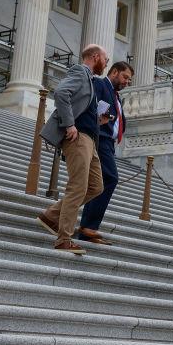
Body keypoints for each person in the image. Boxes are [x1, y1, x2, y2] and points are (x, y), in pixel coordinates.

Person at [36, 44, 108, 254]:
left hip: (89, 138)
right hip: (78, 138)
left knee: (96, 186)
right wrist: (69, 124)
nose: (106, 63)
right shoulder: (79, 71)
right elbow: (61, 92)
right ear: (96, 57)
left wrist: (97, 120)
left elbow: (79, 105)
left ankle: (51, 216)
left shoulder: (91, 80)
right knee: (78, 187)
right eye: (105, 59)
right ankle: (63, 239)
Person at [77, 60, 133, 245]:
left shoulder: (116, 96)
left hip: (108, 142)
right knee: (110, 178)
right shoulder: (101, 84)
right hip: (100, 138)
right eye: (125, 77)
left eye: (129, 80)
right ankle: (89, 226)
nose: (127, 82)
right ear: (114, 72)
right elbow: (92, 106)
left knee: (98, 183)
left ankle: (87, 230)